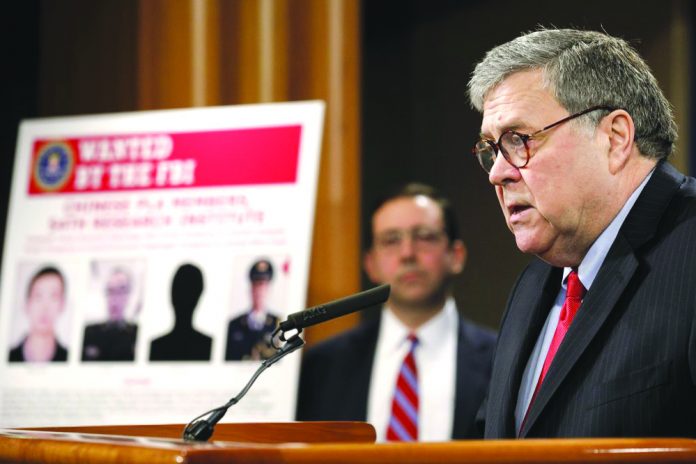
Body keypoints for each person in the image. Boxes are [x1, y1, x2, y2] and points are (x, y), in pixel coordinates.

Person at [468, 28, 696, 438]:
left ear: (614, 138)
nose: (498, 173)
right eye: (492, 148)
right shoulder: (535, 284)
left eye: (518, 140)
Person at [296, 183, 496, 441]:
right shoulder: (323, 366)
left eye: (424, 236)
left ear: (456, 255)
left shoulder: (502, 359)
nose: (407, 253)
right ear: (371, 264)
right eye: (391, 240)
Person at [150, 263, 212, 361]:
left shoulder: (209, 346)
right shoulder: (155, 346)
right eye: (178, 289)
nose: (182, 298)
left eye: (189, 291)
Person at [9, 266, 68, 362]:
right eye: (38, 296)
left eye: (53, 297)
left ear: (62, 305)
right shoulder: (10, 356)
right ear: (26, 304)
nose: (45, 307)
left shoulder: (67, 357)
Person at [225, 259, 280, 361]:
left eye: (263, 284)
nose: (259, 290)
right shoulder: (233, 325)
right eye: (256, 284)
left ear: (269, 288)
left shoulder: (278, 324)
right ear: (251, 288)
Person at [82, 267, 138, 361]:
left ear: (129, 295)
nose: (115, 299)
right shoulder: (89, 333)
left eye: (121, 291)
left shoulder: (136, 333)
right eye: (111, 291)